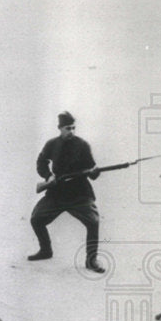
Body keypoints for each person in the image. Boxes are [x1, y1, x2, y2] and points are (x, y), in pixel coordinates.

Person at [29, 111, 105, 273]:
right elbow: (41, 162)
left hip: (79, 193)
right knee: (36, 219)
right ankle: (46, 250)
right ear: (60, 128)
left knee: (93, 222)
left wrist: (94, 172)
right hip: (57, 193)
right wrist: (48, 176)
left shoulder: (83, 145)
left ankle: (91, 260)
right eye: (68, 128)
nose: (71, 131)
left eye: (73, 128)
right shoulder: (52, 144)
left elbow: (92, 170)